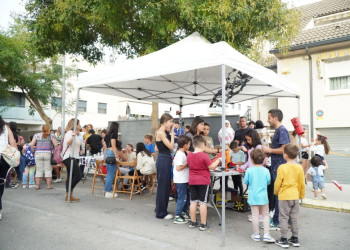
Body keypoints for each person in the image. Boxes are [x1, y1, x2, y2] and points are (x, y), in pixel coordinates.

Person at [262, 109, 290, 230]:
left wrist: (269, 151)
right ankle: (279, 219)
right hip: (276, 166)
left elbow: (284, 150)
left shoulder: (282, 130)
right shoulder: (279, 130)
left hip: (279, 167)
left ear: (275, 118)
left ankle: (277, 220)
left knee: (279, 194)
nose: (268, 119)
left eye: (269, 117)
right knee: (278, 194)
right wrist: (270, 153)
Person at [187, 135, 221, 231]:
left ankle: (193, 222)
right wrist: (218, 160)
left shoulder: (189, 155)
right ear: (203, 146)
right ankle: (203, 224)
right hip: (203, 181)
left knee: (193, 201)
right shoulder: (204, 155)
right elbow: (211, 167)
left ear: (193, 145)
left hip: (192, 181)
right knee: (203, 202)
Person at [274, 144, 305, 248]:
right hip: (295, 196)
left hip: (284, 196)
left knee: (283, 217)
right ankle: (295, 238)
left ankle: (283, 239)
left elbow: (278, 183)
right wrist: (301, 195)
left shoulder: (282, 167)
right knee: (294, 218)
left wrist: (276, 192)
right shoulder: (299, 167)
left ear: (285, 155)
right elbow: (302, 183)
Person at [244, 148, 275, 243]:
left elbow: (246, 181)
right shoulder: (266, 170)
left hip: (253, 196)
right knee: (265, 215)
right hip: (264, 197)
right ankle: (266, 234)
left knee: (255, 215)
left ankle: (256, 234)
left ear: (251, 159)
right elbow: (269, 182)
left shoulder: (249, 170)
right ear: (263, 159)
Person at [155, 113, 175, 219]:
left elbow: (156, 148)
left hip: (163, 158)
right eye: (170, 121)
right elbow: (171, 146)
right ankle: (161, 212)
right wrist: (172, 135)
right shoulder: (161, 132)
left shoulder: (161, 132)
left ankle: (159, 208)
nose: (171, 124)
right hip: (164, 159)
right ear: (165, 121)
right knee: (164, 187)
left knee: (164, 186)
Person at [103, 122, 127, 198]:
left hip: (107, 153)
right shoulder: (113, 135)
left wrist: (104, 157)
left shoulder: (106, 136)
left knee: (109, 174)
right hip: (111, 153)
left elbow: (105, 147)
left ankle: (106, 190)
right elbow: (113, 146)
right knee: (111, 173)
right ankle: (108, 191)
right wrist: (116, 156)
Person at [30, 124, 58, 190]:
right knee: (48, 170)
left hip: (38, 154)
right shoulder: (52, 135)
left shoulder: (36, 135)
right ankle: (49, 186)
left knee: (39, 170)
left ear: (42, 129)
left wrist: (33, 151)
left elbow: (32, 144)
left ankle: (37, 186)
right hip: (48, 154)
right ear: (48, 129)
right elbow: (56, 145)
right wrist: (54, 150)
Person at [0, 116, 17, 220]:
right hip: (4, 158)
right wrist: (16, 157)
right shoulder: (6, 127)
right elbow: (13, 143)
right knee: (1, 184)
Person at [62, 119, 82, 202]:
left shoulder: (75, 134)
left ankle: (68, 195)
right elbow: (68, 142)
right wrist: (74, 135)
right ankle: (69, 192)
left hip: (75, 157)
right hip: (70, 157)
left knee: (71, 177)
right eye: (79, 124)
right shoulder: (70, 132)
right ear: (75, 125)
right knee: (78, 176)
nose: (80, 125)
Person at [173, 135, 191, 224]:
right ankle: (177, 215)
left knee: (186, 197)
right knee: (182, 198)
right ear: (184, 145)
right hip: (180, 180)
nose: (189, 145)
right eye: (188, 144)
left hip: (183, 179)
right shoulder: (180, 154)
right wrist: (187, 163)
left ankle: (183, 212)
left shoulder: (181, 153)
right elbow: (178, 168)